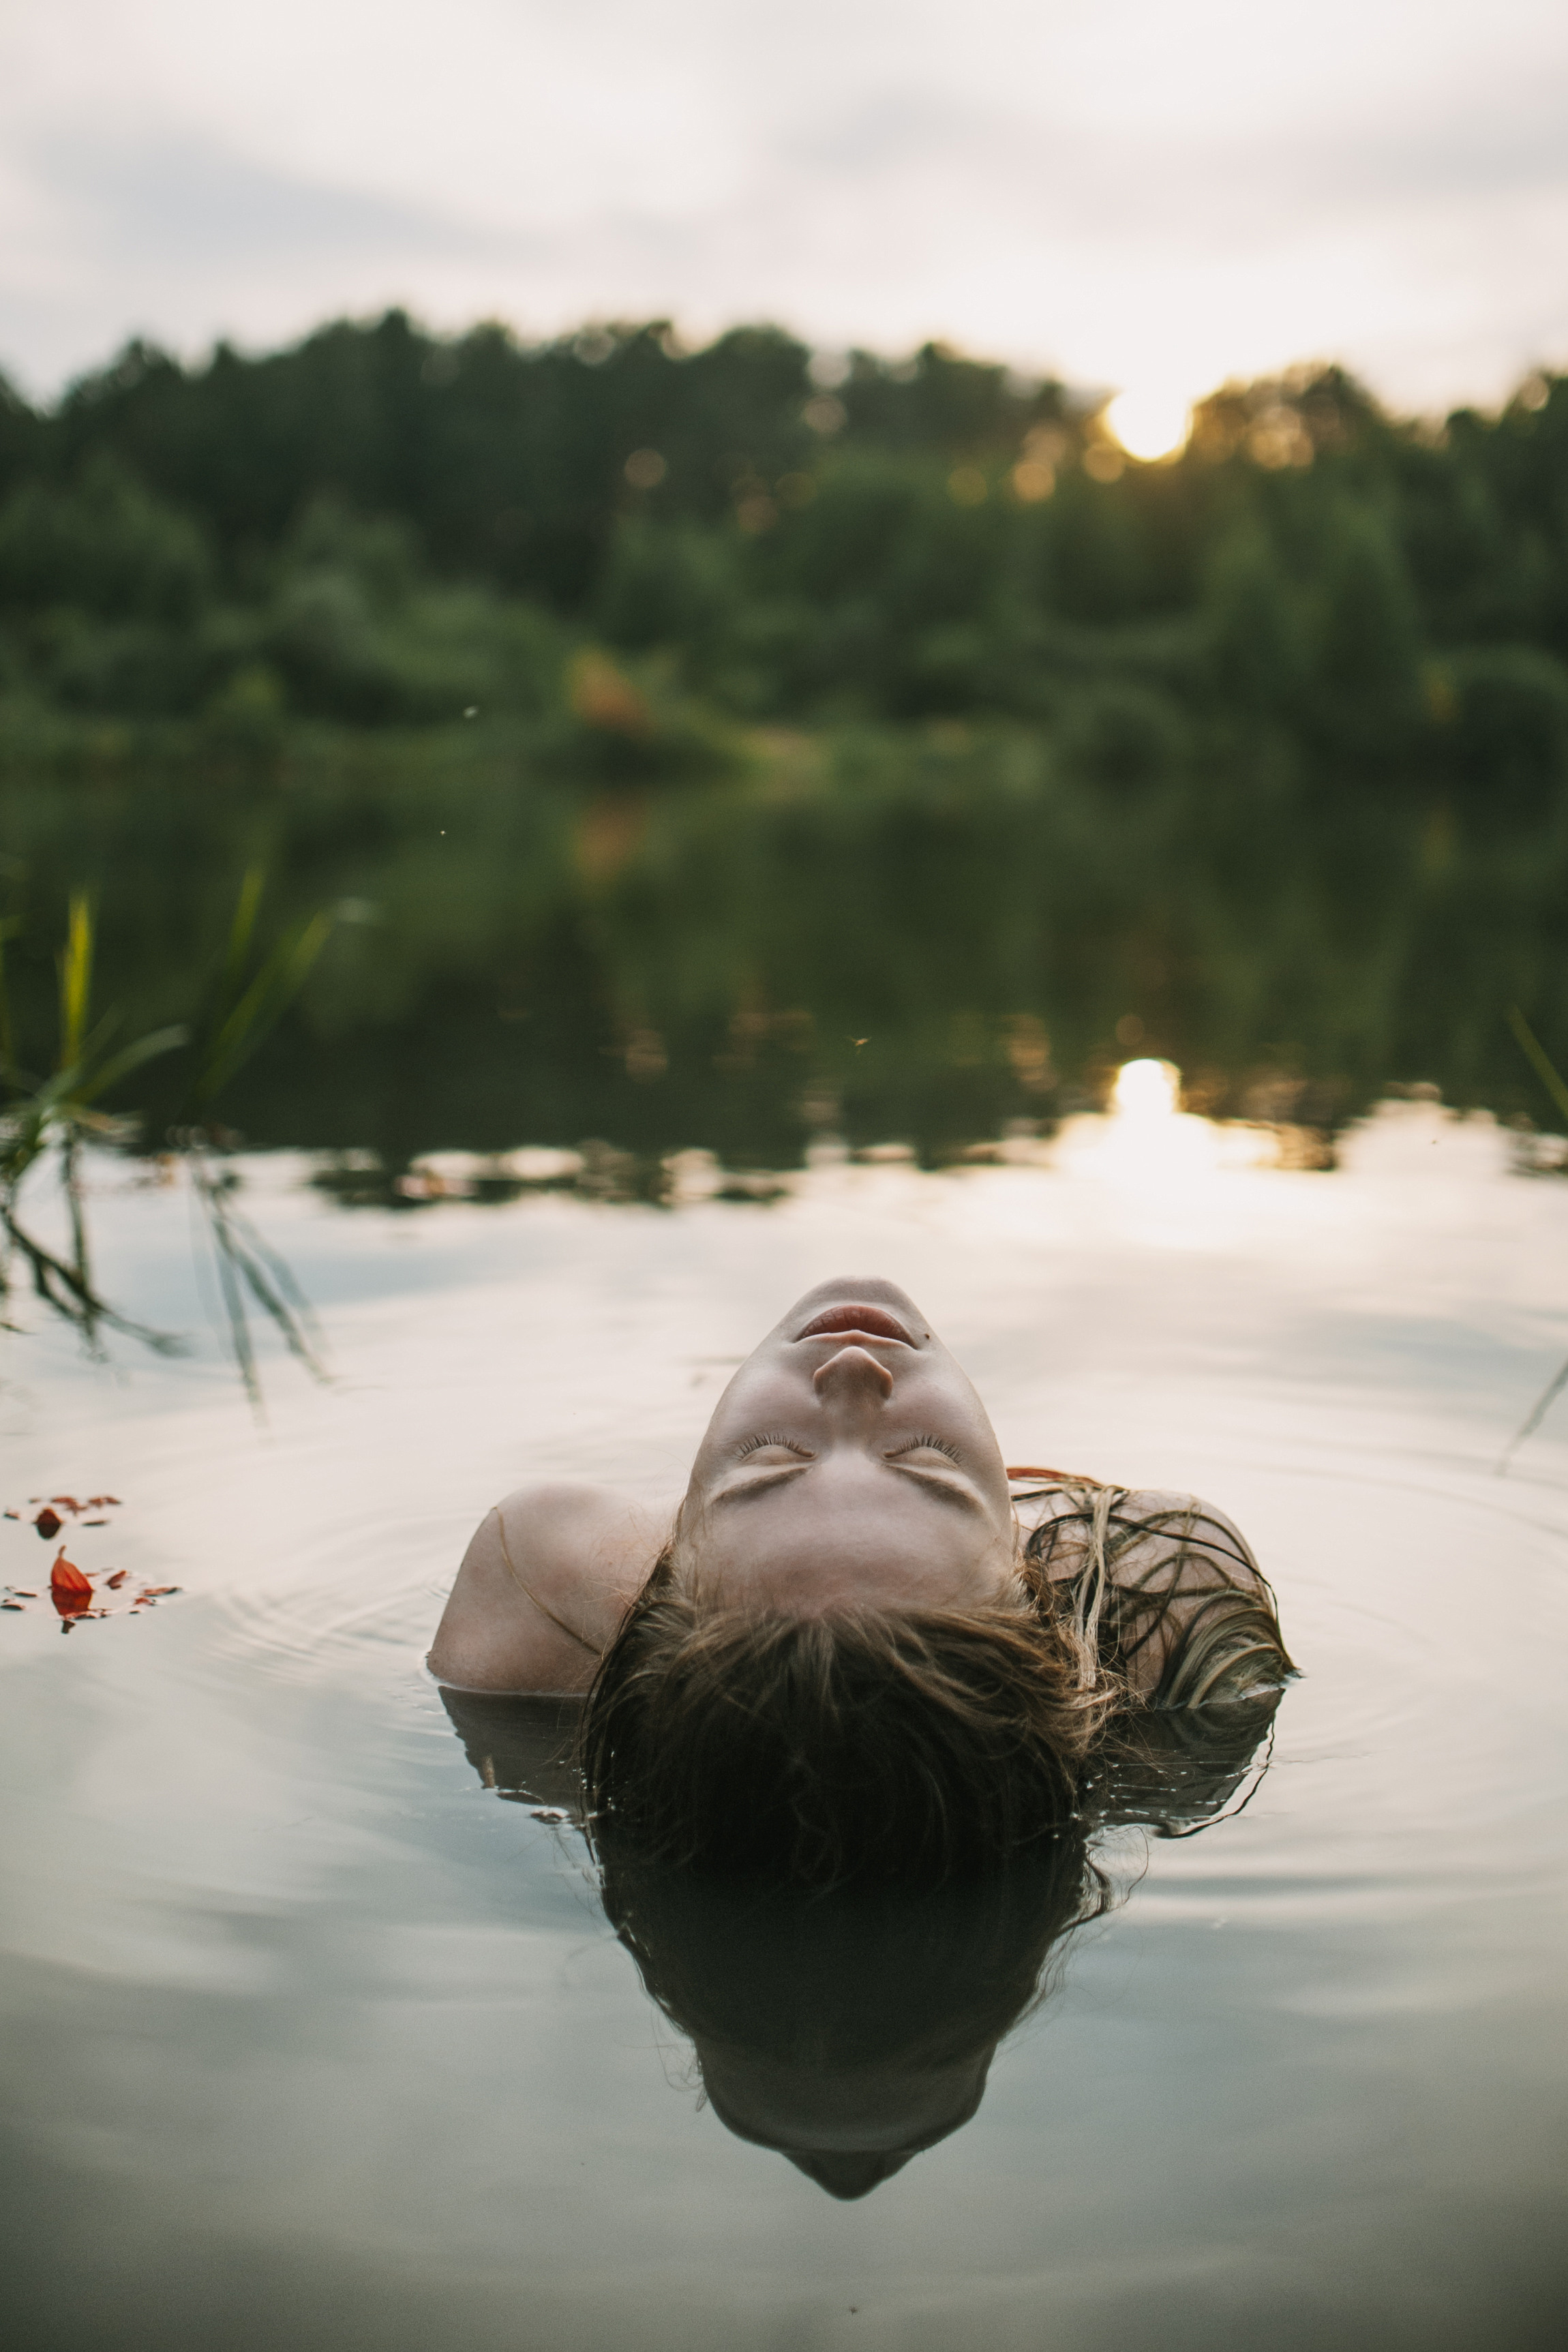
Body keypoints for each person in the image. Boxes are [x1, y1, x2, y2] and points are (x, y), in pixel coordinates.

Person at [429, 1276, 1293, 1884]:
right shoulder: (1163, 1588)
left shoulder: (544, 1576)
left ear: (649, 1587)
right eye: (927, 1464)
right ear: (1044, 1592)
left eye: (766, 1465)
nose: (849, 1369)